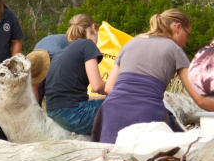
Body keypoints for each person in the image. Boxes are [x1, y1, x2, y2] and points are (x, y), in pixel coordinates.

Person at [91, 9, 214, 143]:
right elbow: (201, 100)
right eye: (187, 34)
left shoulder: (130, 43)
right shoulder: (175, 50)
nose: (186, 41)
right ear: (178, 27)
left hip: (111, 111)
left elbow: (109, 88)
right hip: (146, 113)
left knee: (112, 160)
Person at [45, 14, 105, 135]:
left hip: (54, 113)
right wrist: (121, 90)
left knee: (109, 100)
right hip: (73, 113)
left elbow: (77, 96)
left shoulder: (62, 52)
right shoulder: (87, 44)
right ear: (94, 27)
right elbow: (98, 86)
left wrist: (105, 98)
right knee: (125, 104)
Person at [27, 34, 69, 104]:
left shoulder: (58, 57)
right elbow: (34, 86)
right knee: (39, 88)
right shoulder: (33, 60)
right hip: (48, 48)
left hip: (69, 46)